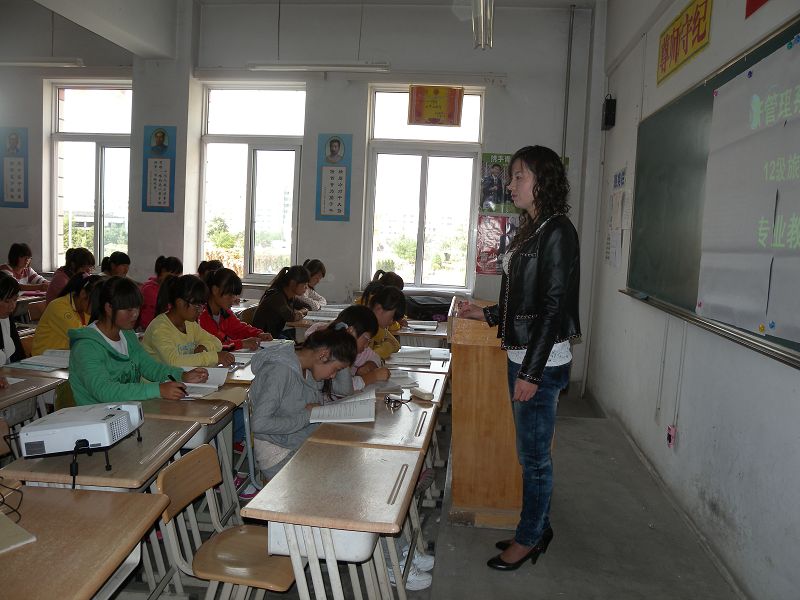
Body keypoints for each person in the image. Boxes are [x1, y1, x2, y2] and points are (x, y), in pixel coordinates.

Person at [458, 145, 580, 571]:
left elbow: (552, 308)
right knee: (528, 453)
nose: (511, 185)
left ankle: (531, 538)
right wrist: (487, 314)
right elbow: (523, 299)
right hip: (525, 357)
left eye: (519, 176)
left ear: (542, 180)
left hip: (540, 364)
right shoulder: (534, 227)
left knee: (534, 458)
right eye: (511, 177)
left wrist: (531, 371)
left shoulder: (557, 231)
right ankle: (535, 526)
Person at [68, 276, 209, 405]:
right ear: (109, 308)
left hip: (126, 410)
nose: (135, 314)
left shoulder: (127, 334)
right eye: (129, 310)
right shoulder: (86, 346)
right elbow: (104, 391)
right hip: (96, 417)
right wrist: (158, 390)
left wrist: (182, 375)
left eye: (137, 308)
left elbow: (149, 366)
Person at [249, 326, 356, 478]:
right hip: (279, 453)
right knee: (340, 476)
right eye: (336, 369)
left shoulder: (310, 367)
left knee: (349, 460)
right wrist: (308, 415)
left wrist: (343, 346)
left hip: (300, 440)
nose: (333, 376)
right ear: (323, 355)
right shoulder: (279, 372)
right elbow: (259, 424)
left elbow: (345, 390)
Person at [143, 274, 234, 368]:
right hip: (160, 377)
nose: (201, 310)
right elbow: (173, 362)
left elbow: (216, 342)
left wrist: (204, 347)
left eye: (202, 305)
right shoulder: (160, 328)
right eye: (197, 306)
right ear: (180, 303)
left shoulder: (189, 324)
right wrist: (214, 357)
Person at [305, 304, 388, 397]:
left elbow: (376, 357)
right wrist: (372, 377)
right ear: (350, 331)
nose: (366, 346)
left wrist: (369, 365)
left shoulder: (351, 347)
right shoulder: (330, 348)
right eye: (367, 339)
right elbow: (345, 389)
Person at [198, 267, 272, 350]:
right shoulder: (201, 316)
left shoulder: (225, 313)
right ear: (215, 290)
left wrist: (258, 334)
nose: (233, 299)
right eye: (230, 295)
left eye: (235, 295)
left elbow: (239, 328)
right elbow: (216, 344)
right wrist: (242, 343)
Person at [33, 274, 102, 355]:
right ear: (83, 294)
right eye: (95, 302)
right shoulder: (58, 306)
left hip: (65, 355)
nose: (97, 307)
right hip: (43, 357)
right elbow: (81, 335)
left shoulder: (85, 308)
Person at [252, 265, 310, 338]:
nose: (306, 287)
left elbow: (308, 307)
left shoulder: (290, 296)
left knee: (299, 337)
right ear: (292, 283)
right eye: (304, 284)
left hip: (273, 334)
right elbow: (291, 317)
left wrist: (301, 312)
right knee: (298, 340)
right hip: (263, 337)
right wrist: (299, 313)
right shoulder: (276, 296)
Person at [360, 282, 405, 359]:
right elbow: (363, 359)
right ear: (379, 308)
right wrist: (386, 346)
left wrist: (383, 347)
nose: (392, 322)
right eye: (392, 318)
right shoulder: (361, 324)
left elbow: (396, 345)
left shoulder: (374, 326)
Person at [139, 255, 182, 330]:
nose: (175, 279)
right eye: (174, 275)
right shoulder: (149, 289)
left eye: (178, 276)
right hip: (149, 329)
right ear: (163, 271)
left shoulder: (170, 288)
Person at [0, 273, 25, 371]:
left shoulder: (6, 317)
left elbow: (19, 355)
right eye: (6, 301)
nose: (12, 306)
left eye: (15, 300)